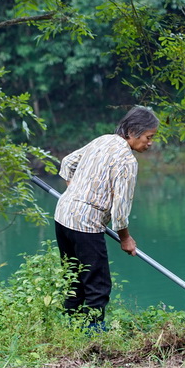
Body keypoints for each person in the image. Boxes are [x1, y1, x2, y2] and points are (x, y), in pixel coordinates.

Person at [54, 106, 159, 329]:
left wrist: (74, 191)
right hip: (85, 224)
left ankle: (68, 331)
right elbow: (120, 210)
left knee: (74, 278)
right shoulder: (127, 162)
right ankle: (93, 338)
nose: (150, 143)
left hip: (63, 215)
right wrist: (125, 238)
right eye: (149, 137)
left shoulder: (103, 140)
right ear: (132, 132)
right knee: (97, 285)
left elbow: (67, 163)